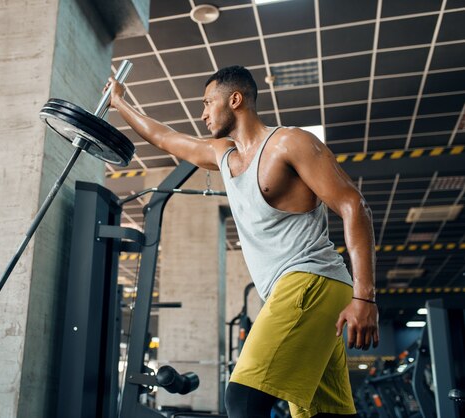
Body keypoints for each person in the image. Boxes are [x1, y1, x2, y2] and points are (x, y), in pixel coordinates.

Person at [105, 65, 379, 418]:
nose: (202, 113)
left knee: (243, 397)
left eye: (207, 103)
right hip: (297, 290)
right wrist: (119, 103)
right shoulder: (224, 155)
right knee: (322, 413)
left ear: (235, 99)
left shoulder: (288, 143)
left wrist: (364, 297)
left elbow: (353, 205)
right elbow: (164, 137)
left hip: (311, 281)